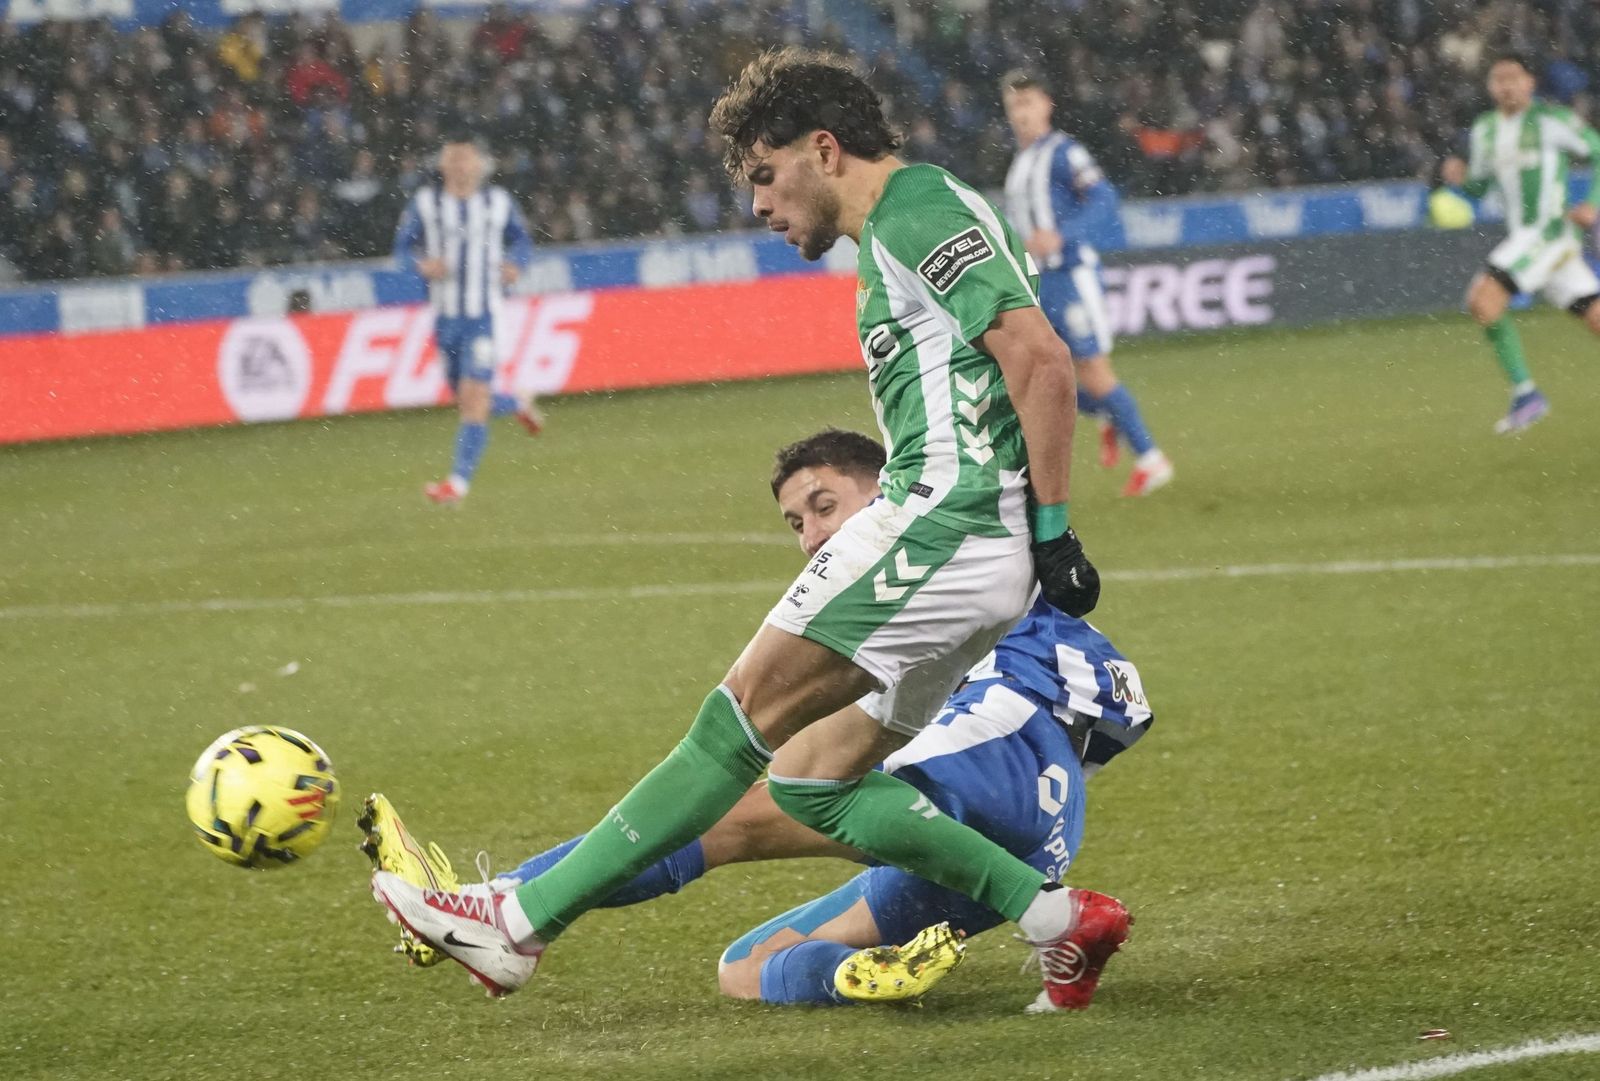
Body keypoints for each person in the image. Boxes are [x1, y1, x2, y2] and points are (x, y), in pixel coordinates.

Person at [369, 47, 1109, 1010]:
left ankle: (515, 925)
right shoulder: (902, 230)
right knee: (815, 784)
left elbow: (1041, 359)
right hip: (972, 546)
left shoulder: (916, 209)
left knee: (736, 724)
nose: (758, 203)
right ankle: (1059, 920)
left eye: (765, 174)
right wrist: (1033, 540)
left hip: (944, 524)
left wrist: (1054, 531)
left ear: (825, 150)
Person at [363, 429, 1151, 1010]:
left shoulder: (943, 568)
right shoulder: (980, 598)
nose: (812, 536)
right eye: (796, 523)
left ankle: (497, 906)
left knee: (732, 811)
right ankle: (872, 969)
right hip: (1040, 830)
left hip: (994, 753)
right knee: (745, 967)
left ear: (891, 495)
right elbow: (1127, 710)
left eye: (824, 505)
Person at [1001, 69, 1174, 497]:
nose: (1021, 112)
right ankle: (1107, 414)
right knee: (1034, 375)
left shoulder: (1064, 152)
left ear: (1047, 105)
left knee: (1093, 371)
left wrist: (1064, 235)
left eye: (1028, 102)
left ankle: (1152, 460)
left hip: (1071, 277)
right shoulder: (1021, 162)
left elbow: (1104, 198)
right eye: (1014, 104)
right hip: (1038, 284)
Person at [1440, 53, 1600, 434]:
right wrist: (1461, 179)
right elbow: (1480, 187)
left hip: (1547, 234)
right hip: (1531, 240)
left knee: (1483, 299)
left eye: (1514, 77)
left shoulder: (1551, 120)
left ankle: (1527, 396)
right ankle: (1527, 396)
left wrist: (1593, 203)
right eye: (1498, 78)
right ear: (1490, 86)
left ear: (1530, 82)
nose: (1506, 85)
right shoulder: (1485, 129)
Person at [393, 138, 542, 504]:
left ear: (479, 166)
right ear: (443, 165)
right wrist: (421, 265)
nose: (460, 166)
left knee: (474, 400)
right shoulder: (426, 204)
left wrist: (516, 265)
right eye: (454, 160)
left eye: (466, 159)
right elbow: (401, 249)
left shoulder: (498, 202)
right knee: (468, 400)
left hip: (484, 316)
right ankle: (517, 403)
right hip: (445, 319)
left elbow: (522, 241)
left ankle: (457, 484)